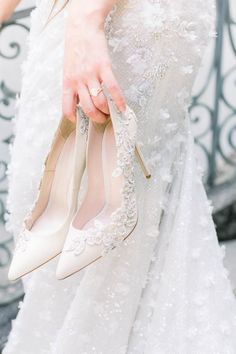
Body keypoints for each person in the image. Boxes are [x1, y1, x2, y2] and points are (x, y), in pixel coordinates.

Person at [2, 0, 236, 353]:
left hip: (113, 16)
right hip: (76, 16)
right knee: (65, 216)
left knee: (95, 232)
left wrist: (86, 19)